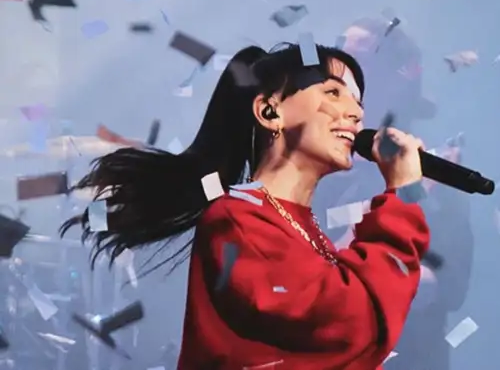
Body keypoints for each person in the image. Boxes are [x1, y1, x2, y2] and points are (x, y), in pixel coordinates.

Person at [59, 43, 432, 370]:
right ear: (270, 112)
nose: (356, 113)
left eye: (358, 102)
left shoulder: (298, 226)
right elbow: (352, 324)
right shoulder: (238, 222)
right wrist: (401, 196)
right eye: (333, 92)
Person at [315, 17, 475, 370]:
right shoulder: (305, 164)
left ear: (397, 80)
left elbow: (446, 285)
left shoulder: (432, 174)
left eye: (359, 62)